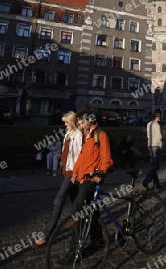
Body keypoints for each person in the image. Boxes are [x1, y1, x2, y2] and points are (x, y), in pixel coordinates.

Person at [58, 112, 113, 265]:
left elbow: (106, 157)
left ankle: (75, 249)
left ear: (91, 121)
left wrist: (102, 172)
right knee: (91, 208)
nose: (80, 126)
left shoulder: (101, 135)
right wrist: (75, 172)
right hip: (82, 177)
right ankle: (97, 239)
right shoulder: (87, 135)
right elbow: (81, 157)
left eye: (82, 123)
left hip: (93, 177)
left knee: (77, 207)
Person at [31, 111, 82, 248]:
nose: (65, 124)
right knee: (77, 202)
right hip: (67, 170)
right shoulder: (68, 133)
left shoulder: (78, 134)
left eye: (66, 121)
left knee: (59, 200)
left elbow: (78, 155)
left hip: (72, 172)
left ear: (72, 121)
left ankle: (47, 235)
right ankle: (84, 226)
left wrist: (75, 173)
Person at [143, 109, 163, 190]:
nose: (160, 118)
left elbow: (148, 136)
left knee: (154, 165)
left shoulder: (149, 124)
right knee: (156, 166)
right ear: (157, 117)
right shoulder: (157, 125)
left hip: (150, 145)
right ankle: (146, 180)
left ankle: (157, 184)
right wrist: (161, 145)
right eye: (159, 116)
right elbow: (159, 137)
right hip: (156, 146)